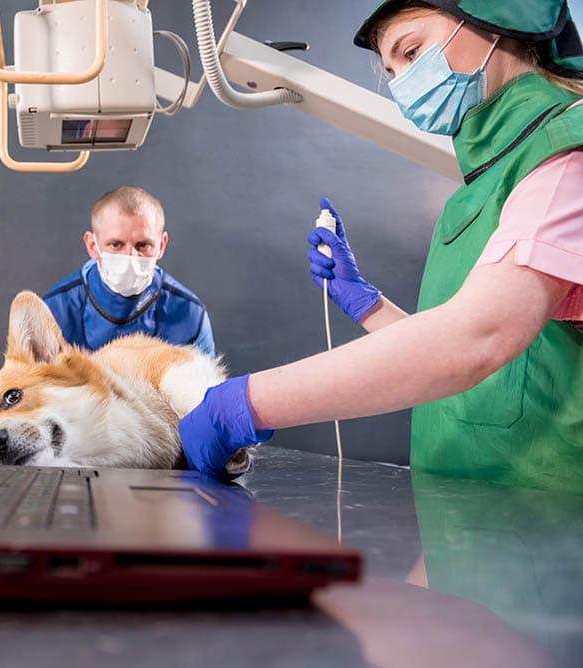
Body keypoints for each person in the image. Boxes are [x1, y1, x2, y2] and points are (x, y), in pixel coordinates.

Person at [180, 0, 583, 494]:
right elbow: (484, 369)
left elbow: (479, 338)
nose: (405, 84)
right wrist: (369, 305)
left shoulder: (566, 156)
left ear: (496, 17)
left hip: (550, 524)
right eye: (393, 71)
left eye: (412, 51)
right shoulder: (485, 184)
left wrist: (245, 403)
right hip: (470, 517)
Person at [43, 186, 216, 355]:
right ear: (92, 245)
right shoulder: (54, 312)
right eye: (115, 244)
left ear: (161, 245)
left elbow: (207, 383)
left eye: (142, 245)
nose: (130, 257)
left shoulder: (189, 315)